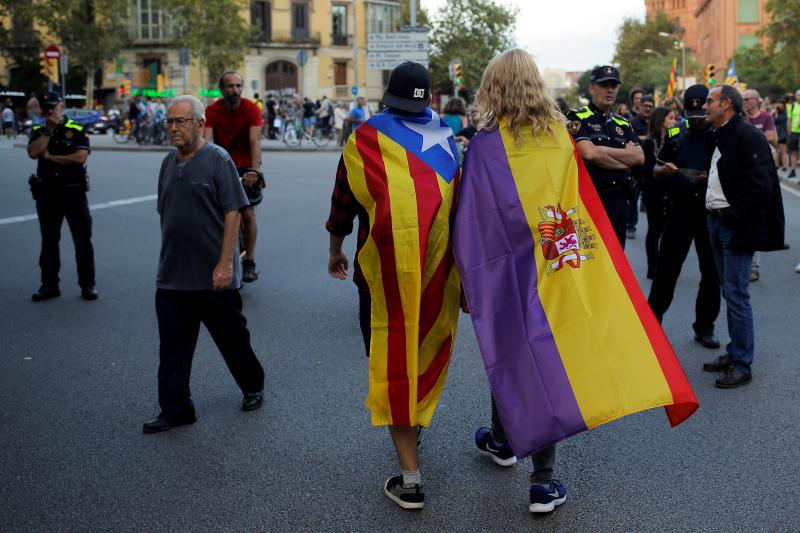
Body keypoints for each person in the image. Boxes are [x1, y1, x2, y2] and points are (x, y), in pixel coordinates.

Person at [326, 62, 461, 510]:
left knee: (390, 354)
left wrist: (336, 249)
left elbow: (343, 199)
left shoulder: (367, 137)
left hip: (382, 277)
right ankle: (413, 422)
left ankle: (411, 477)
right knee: (421, 353)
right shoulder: (450, 142)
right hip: (439, 275)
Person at [143, 95, 265, 434]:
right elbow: (166, 213)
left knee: (232, 339)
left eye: (180, 121)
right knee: (173, 348)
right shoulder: (168, 163)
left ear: (200, 124)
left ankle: (253, 385)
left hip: (215, 276)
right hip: (172, 276)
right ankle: (176, 408)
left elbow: (233, 212)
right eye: (169, 121)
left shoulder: (218, 160)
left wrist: (226, 264)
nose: (173, 128)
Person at [701, 85, 785, 388]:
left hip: (733, 225)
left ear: (726, 104)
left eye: (710, 101)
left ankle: (741, 364)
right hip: (717, 221)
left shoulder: (747, 135)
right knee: (729, 291)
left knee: (737, 295)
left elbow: (760, 184)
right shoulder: (722, 134)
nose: (705, 106)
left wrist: (733, 217)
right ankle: (734, 351)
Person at [647, 85, 721, 350]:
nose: (696, 119)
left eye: (700, 113)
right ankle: (651, 326)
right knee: (666, 272)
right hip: (679, 211)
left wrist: (708, 177)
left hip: (709, 211)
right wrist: (663, 171)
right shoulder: (676, 132)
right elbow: (656, 168)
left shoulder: (719, 135)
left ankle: (705, 327)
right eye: (691, 113)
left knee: (711, 273)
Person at [25, 92, 97, 302]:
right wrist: (49, 129)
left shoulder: (76, 128)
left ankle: (87, 285)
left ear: (62, 106)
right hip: (47, 194)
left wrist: (50, 157)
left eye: (53, 106)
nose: (49, 110)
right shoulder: (39, 129)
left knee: (82, 241)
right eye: (45, 107)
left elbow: (80, 158)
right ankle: (49, 285)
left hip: (73, 192)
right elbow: (33, 152)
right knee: (49, 242)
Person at [566, 66, 644, 247]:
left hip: (619, 200)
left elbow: (639, 158)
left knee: (617, 256)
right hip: (592, 199)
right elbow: (589, 153)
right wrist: (624, 159)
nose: (610, 90)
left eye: (614, 86)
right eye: (604, 85)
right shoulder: (577, 117)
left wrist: (601, 150)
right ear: (591, 88)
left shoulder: (623, 123)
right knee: (593, 259)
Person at [203, 70, 264, 283]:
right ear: (222, 90)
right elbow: (207, 140)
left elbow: (255, 141)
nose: (235, 90)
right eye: (230, 86)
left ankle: (250, 261)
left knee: (247, 214)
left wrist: (254, 171)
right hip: (221, 165)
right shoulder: (212, 110)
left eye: (238, 86)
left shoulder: (251, 109)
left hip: (246, 167)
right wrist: (204, 167)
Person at [744, 89, 777, 283]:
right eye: (744, 100)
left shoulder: (766, 117)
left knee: (756, 218)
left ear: (756, 101)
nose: (745, 102)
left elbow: (772, 137)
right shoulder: (741, 118)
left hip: (762, 172)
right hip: (744, 173)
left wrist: (752, 136)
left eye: (748, 99)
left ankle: (754, 267)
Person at [639, 105, 673, 279]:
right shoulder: (649, 142)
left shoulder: (674, 138)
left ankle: (664, 265)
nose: (674, 122)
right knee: (654, 230)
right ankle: (652, 266)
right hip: (653, 192)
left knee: (668, 231)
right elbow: (644, 168)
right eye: (670, 118)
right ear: (661, 121)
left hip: (671, 192)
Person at [627, 94, 655, 239]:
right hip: (636, 168)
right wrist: (642, 139)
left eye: (651, 107)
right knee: (633, 198)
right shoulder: (631, 123)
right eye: (646, 106)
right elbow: (631, 142)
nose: (648, 109)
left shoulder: (655, 123)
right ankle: (631, 226)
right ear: (640, 106)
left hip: (651, 168)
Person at [787, 89, 800, 178]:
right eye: (798, 95)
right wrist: (789, 132)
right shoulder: (792, 106)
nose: (799, 97)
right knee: (794, 152)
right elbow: (789, 120)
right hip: (794, 132)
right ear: (796, 96)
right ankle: (793, 170)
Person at [774, 99, 789, 172]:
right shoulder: (774, 112)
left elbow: (778, 120)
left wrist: (776, 113)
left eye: (780, 104)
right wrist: (775, 112)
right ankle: (777, 165)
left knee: (783, 151)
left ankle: (785, 166)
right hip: (776, 134)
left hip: (783, 134)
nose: (778, 105)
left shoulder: (786, 113)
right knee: (776, 151)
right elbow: (772, 120)